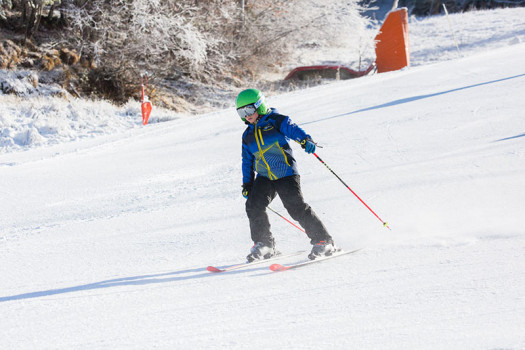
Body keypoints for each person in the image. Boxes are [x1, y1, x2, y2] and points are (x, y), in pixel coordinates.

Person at [236, 88, 336, 262]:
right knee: (253, 205)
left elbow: (293, 129)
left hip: (285, 172)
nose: (246, 115)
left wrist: (305, 139)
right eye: (241, 112)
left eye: (249, 110)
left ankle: (323, 240)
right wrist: (247, 184)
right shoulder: (247, 135)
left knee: (295, 207)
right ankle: (265, 244)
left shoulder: (276, 120)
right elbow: (247, 161)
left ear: (259, 106)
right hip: (264, 176)